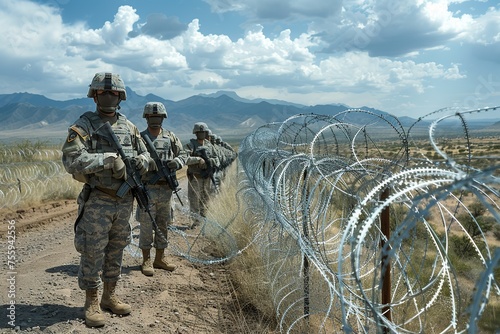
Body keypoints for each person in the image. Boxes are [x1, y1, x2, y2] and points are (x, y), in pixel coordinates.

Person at [61, 72, 152, 327]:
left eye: (113, 93)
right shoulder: (84, 125)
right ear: (95, 95)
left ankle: (109, 296)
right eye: (103, 92)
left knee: (117, 248)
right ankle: (91, 300)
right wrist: (108, 160)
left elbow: (147, 157)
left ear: (120, 96)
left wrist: (140, 162)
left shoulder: (129, 126)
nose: (108, 96)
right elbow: (70, 159)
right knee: (93, 251)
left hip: (124, 201)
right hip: (98, 200)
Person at [137, 102, 186, 276]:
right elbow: (133, 160)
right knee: (146, 225)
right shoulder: (140, 138)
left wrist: (177, 162)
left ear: (163, 118)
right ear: (147, 117)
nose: (155, 120)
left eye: (158, 117)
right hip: (147, 188)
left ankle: (160, 258)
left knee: (163, 225)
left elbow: (184, 154)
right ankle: (146, 260)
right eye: (152, 117)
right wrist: (145, 164)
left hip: (166, 190)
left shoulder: (170, 137)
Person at [183, 122, 220, 228]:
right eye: (199, 132)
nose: (201, 134)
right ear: (195, 133)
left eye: (203, 132)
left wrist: (210, 161)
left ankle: (204, 219)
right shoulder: (190, 145)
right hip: (195, 177)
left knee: (206, 198)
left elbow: (217, 159)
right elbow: (185, 159)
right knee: (194, 199)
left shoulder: (209, 145)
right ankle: (195, 221)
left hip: (207, 176)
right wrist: (198, 160)